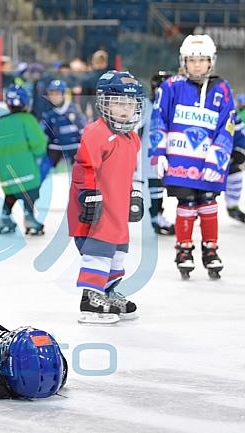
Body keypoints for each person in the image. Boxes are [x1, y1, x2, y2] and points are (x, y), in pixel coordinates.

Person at [152, 34, 235, 280]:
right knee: (186, 203)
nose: (197, 65)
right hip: (180, 160)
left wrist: (218, 156)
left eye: (202, 60)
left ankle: (210, 249)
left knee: (209, 202)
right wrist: (158, 152)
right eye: (191, 60)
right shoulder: (171, 86)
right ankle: (184, 248)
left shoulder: (222, 88)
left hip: (208, 161)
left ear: (211, 61)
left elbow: (227, 124)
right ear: (183, 61)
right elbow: (159, 118)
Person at [69, 71, 143, 325]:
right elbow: (83, 168)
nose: (125, 109)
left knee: (118, 252)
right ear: (104, 103)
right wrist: (88, 195)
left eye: (130, 104)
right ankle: (91, 298)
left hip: (117, 209)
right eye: (119, 103)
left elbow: (128, 172)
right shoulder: (96, 132)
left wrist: (133, 193)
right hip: (96, 207)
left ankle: (108, 293)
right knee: (98, 251)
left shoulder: (132, 138)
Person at [0, 84, 47, 236]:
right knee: (30, 191)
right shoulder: (28, 119)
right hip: (26, 168)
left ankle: (5, 218)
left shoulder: (3, 121)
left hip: (6, 169)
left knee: (11, 193)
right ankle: (30, 217)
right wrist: (39, 154)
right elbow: (39, 142)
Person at [138, 71, 175, 235]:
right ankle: (155, 217)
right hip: (151, 155)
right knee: (156, 188)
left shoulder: (174, 107)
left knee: (165, 187)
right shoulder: (147, 105)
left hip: (170, 154)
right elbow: (135, 129)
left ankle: (161, 215)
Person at [38, 79, 86, 180]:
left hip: (74, 146)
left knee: (81, 173)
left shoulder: (73, 109)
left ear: (63, 94)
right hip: (56, 147)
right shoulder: (47, 112)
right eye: (51, 93)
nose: (54, 97)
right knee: (42, 170)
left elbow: (83, 129)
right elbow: (44, 132)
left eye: (57, 93)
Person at [225, 115, 245, 224]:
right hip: (200, 156)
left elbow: (240, 132)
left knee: (235, 174)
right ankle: (190, 205)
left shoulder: (229, 110)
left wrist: (239, 149)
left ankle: (232, 205)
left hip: (226, 154)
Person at [79, 50, 109, 119]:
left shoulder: (88, 79)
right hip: (111, 118)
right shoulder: (112, 79)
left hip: (95, 116)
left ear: (93, 62)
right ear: (106, 63)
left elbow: (83, 101)